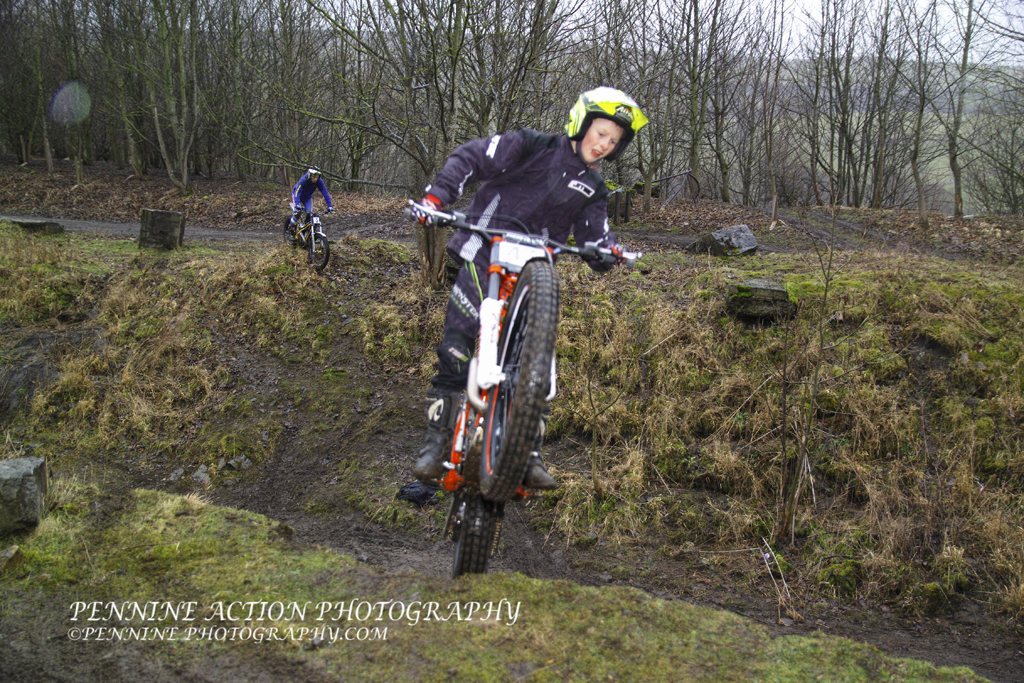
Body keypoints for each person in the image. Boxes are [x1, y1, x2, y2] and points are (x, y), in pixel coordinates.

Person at [411, 86, 648, 489]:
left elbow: (597, 238)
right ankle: (436, 446)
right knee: (457, 345)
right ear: (581, 123)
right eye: (601, 133)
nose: (605, 144)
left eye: (614, 140)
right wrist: (437, 198)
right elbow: (470, 156)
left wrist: (609, 252)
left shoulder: (594, 188)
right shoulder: (531, 145)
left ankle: (528, 452)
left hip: (535, 273)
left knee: (537, 360)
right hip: (485, 251)